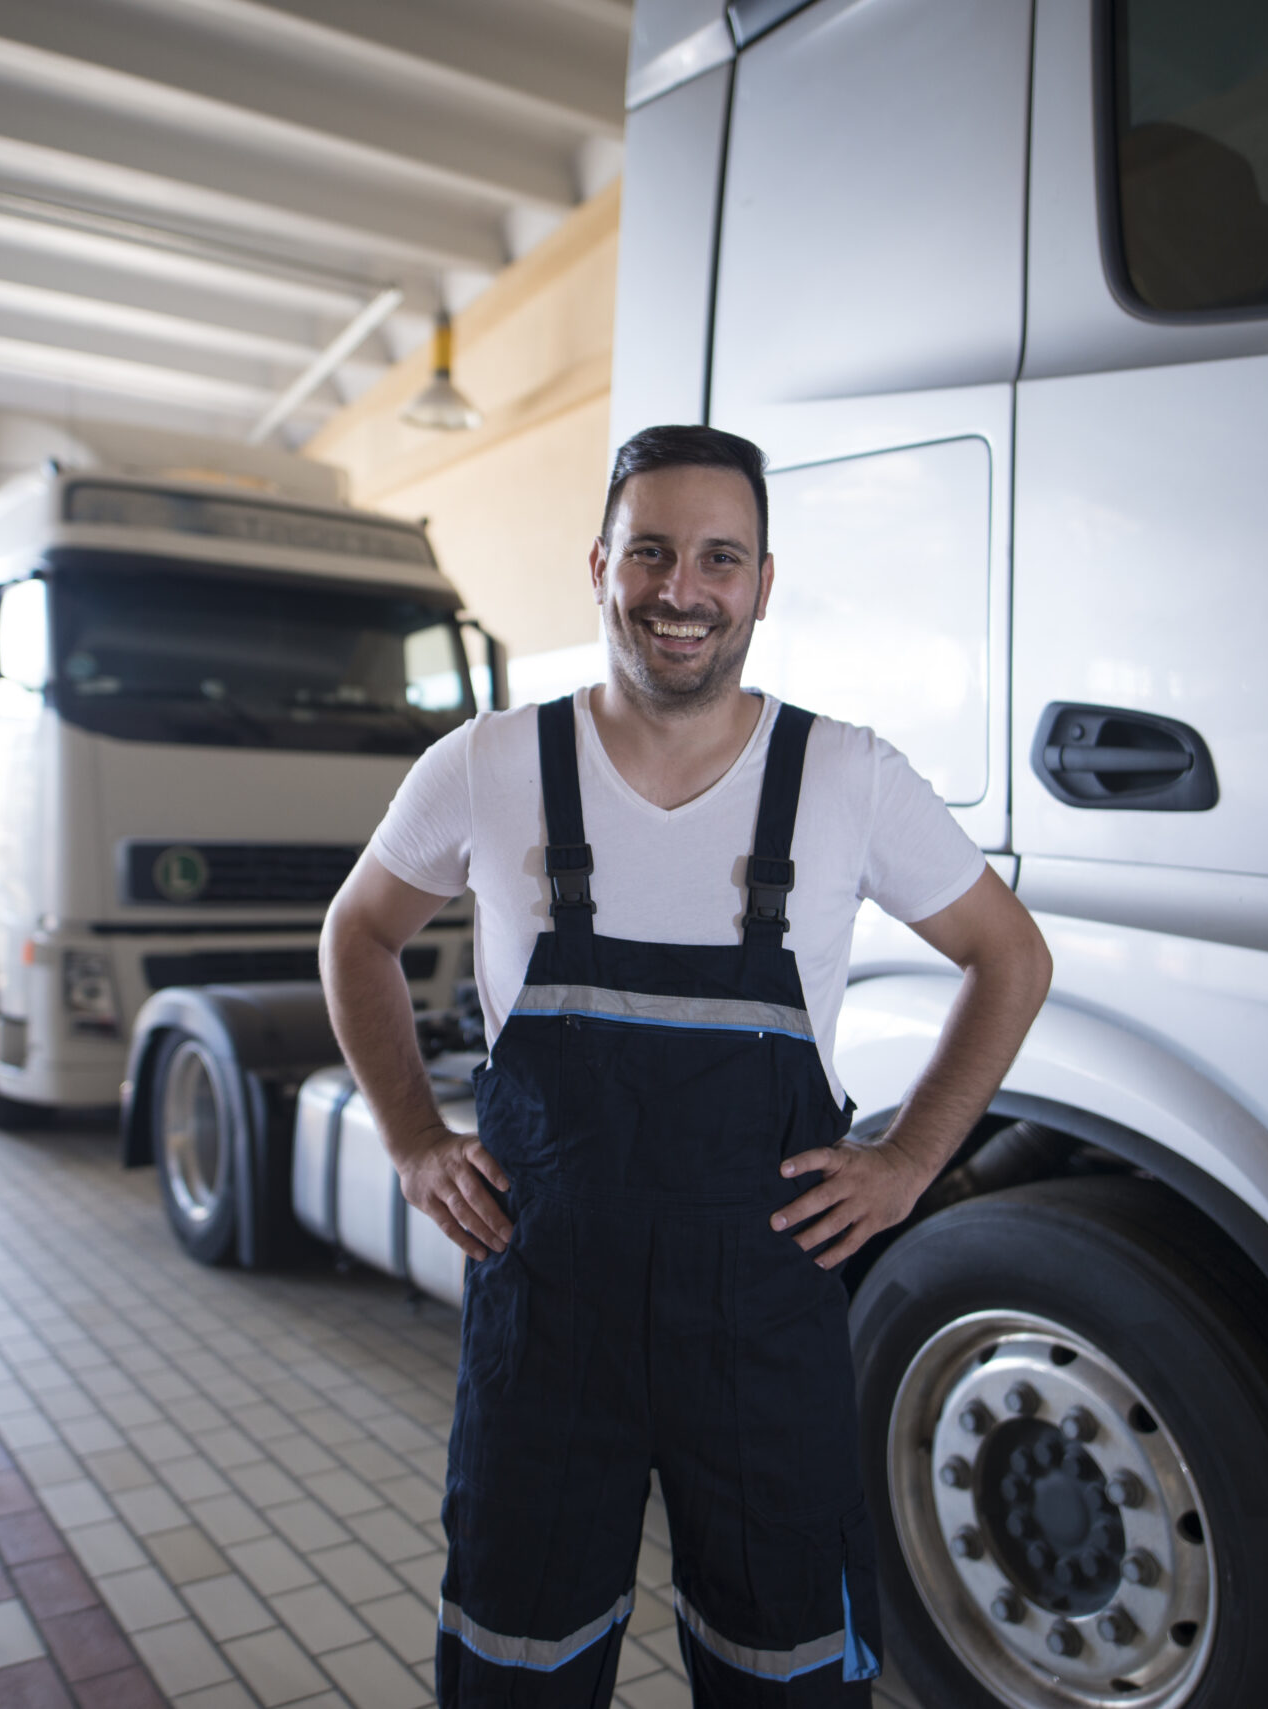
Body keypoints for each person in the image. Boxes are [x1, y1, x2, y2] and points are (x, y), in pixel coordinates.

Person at [321, 424, 1052, 1706]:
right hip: (546, 1320)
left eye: (720, 557)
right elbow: (358, 932)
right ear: (600, 564)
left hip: (763, 1331)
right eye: (651, 551)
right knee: (516, 1663)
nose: (681, 589)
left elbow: (1009, 956)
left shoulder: (846, 776)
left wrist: (908, 1160)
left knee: (782, 1668)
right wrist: (412, 1138)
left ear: (763, 583)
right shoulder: (490, 767)